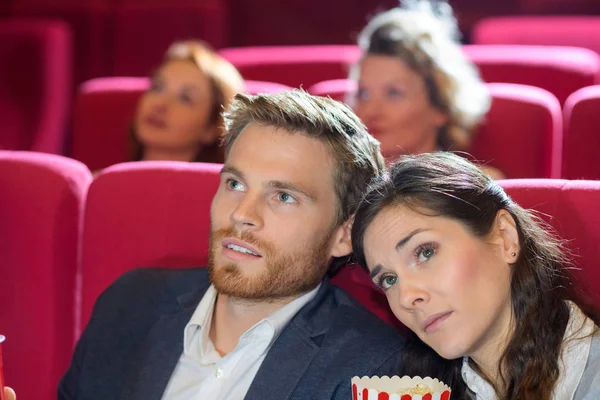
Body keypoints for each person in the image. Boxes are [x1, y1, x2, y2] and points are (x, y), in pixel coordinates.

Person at [57, 90, 405, 400]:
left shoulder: (375, 372)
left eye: (283, 196)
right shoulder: (128, 304)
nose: (242, 214)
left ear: (344, 235)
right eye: (235, 184)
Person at [351, 152, 600, 399]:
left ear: (505, 238)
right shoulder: (421, 387)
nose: (406, 297)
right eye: (389, 280)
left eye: (425, 252)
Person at [351, 1, 503, 178]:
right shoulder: (340, 188)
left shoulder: (478, 189)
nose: (370, 111)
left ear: (441, 106)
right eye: (364, 93)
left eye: (393, 93)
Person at [130, 40, 244, 163]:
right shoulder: (108, 178)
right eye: (157, 87)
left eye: (185, 98)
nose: (160, 104)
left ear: (211, 128)